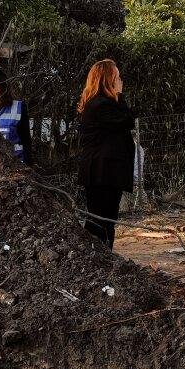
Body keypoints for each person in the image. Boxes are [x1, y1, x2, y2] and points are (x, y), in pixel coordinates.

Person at [75, 59, 136, 248]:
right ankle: (97, 254)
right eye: (117, 78)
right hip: (102, 172)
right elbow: (127, 121)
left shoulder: (100, 104)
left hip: (105, 171)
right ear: (107, 80)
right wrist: (120, 96)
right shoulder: (101, 105)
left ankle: (102, 254)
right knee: (101, 219)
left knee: (105, 217)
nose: (120, 82)